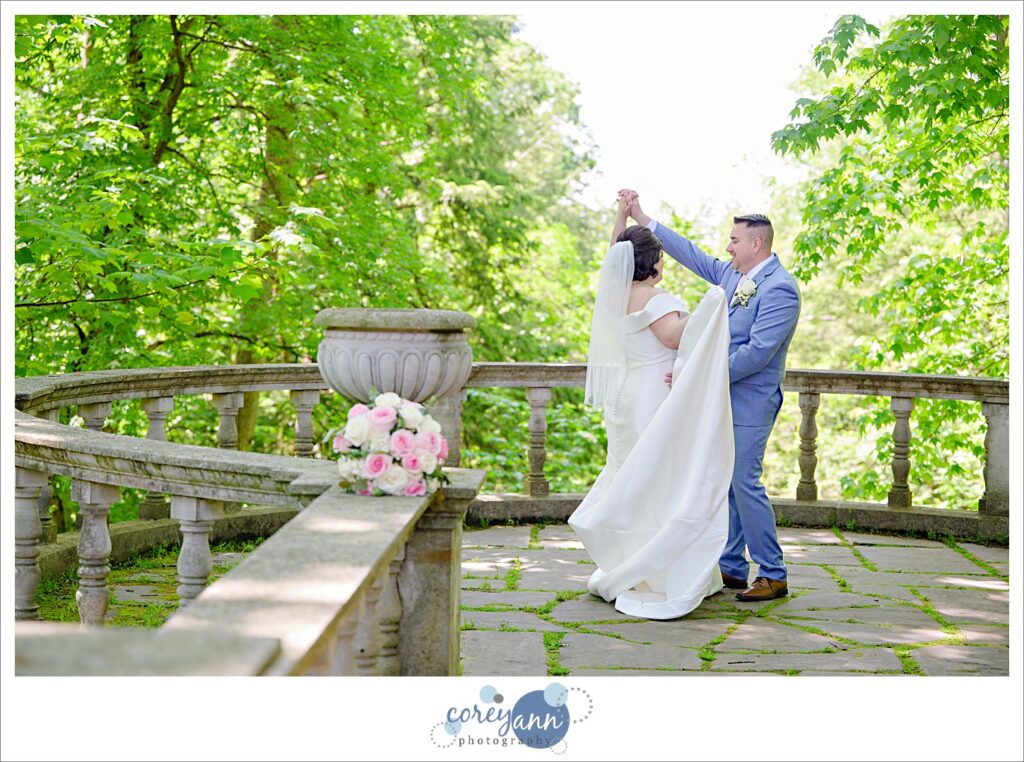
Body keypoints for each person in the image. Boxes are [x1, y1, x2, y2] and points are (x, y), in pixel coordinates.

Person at [620, 190, 801, 602]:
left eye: (734, 240)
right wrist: (645, 220)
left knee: (744, 482)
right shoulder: (734, 276)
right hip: (722, 396)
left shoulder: (781, 290)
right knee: (726, 481)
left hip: (751, 400)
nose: (727, 246)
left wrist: (699, 374)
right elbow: (694, 255)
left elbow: (757, 353)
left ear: (757, 244)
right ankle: (732, 566)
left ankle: (773, 572)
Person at [569, 197, 734, 619]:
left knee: (629, 475)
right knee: (657, 481)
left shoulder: (616, 291)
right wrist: (710, 305)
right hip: (650, 399)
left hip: (625, 398)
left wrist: (620, 218)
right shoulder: (655, 298)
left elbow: (615, 255)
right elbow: (675, 338)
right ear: (655, 263)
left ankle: (627, 558)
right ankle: (654, 568)